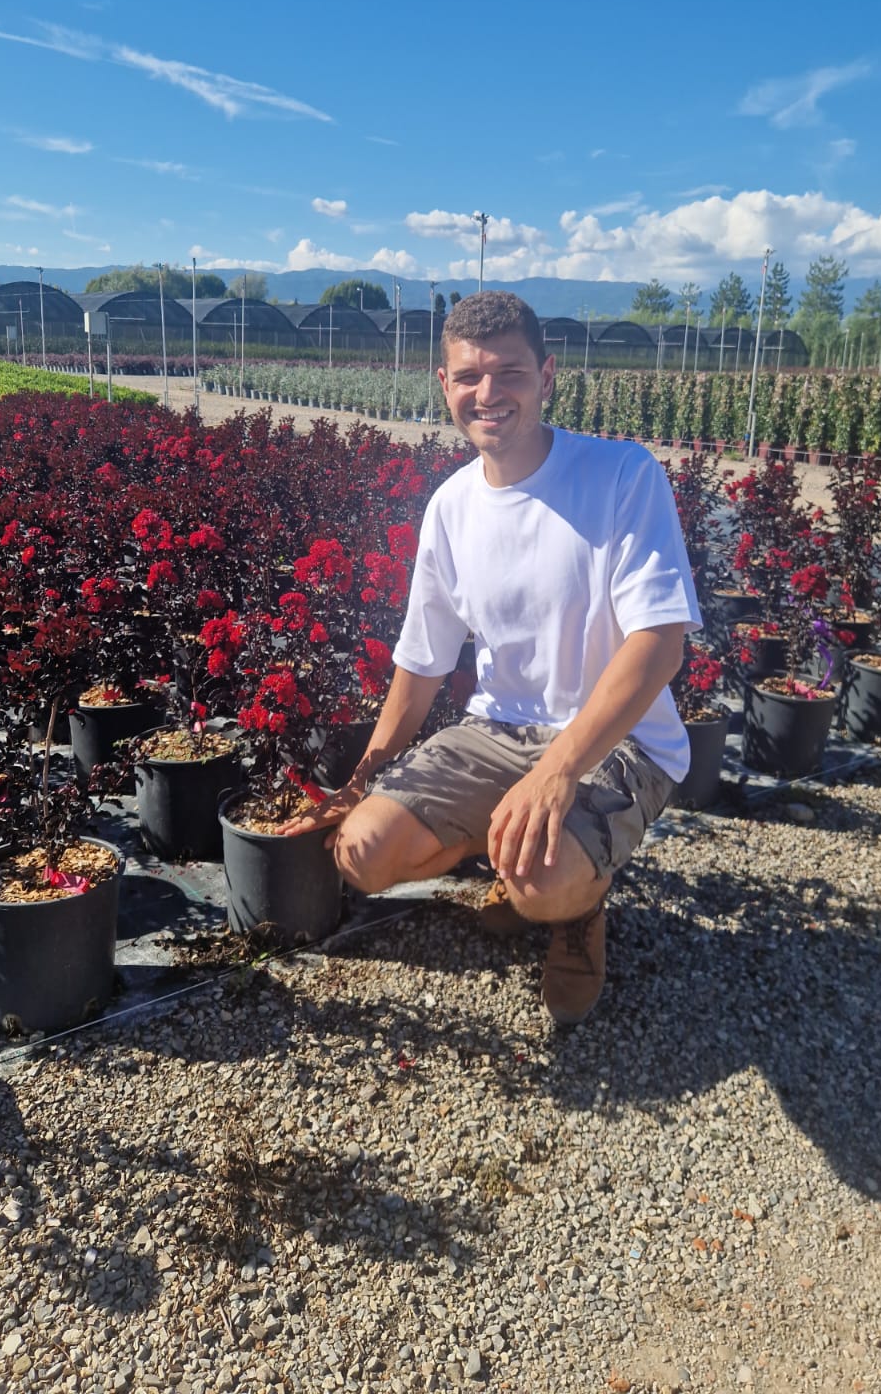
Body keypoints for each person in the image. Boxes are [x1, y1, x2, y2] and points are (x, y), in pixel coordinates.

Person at [285, 290, 701, 1025]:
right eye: (469, 376)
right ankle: (517, 850)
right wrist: (362, 779)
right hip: (496, 731)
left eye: (510, 373)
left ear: (546, 376)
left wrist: (556, 773)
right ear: (444, 384)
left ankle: (573, 905)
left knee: (544, 883)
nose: (489, 393)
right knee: (360, 853)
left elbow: (659, 645)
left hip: (620, 741)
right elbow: (422, 661)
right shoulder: (450, 507)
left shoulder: (621, 476)